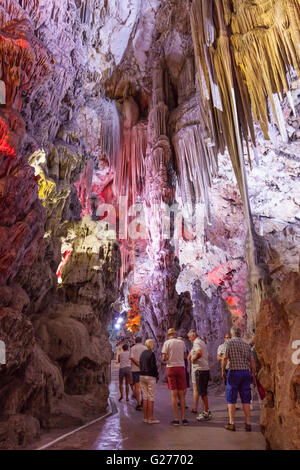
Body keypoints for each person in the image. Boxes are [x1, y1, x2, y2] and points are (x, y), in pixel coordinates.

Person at [222, 325, 256, 432]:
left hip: (234, 372)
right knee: (246, 398)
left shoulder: (228, 343)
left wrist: (223, 370)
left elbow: (224, 358)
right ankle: (248, 423)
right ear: (240, 334)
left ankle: (232, 423)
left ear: (232, 334)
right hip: (246, 372)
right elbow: (252, 360)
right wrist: (253, 373)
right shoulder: (246, 344)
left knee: (231, 398)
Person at [162, 328, 189, 426]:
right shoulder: (181, 342)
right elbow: (185, 356)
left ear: (169, 335)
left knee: (173, 394)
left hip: (171, 368)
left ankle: (176, 419)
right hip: (181, 367)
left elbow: (164, 358)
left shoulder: (167, 343)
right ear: (175, 334)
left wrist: (169, 356)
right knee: (181, 394)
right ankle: (184, 418)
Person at [187, 330, 212, 421]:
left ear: (193, 336)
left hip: (200, 370)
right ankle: (206, 411)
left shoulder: (197, 342)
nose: (189, 339)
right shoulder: (201, 342)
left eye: (190, 337)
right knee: (203, 392)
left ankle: (206, 413)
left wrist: (193, 359)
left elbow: (199, 353)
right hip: (204, 369)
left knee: (202, 393)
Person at [139, 339, 160, 424]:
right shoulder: (151, 354)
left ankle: (145, 417)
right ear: (151, 345)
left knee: (144, 397)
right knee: (151, 397)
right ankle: (151, 418)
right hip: (150, 376)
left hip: (142, 375)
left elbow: (140, 364)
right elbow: (153, 366)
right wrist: (156, 375)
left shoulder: (142, 353)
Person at [130, 337, 147, 411]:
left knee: (136, 387)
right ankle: (143, 401)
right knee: (143, 386)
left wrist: (137, 363)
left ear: (135, 341)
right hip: (144, 370)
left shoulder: (133, 348)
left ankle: (138, 404)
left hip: (135, 370)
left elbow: (131, 357)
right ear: (141, 341)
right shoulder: (145, 347)